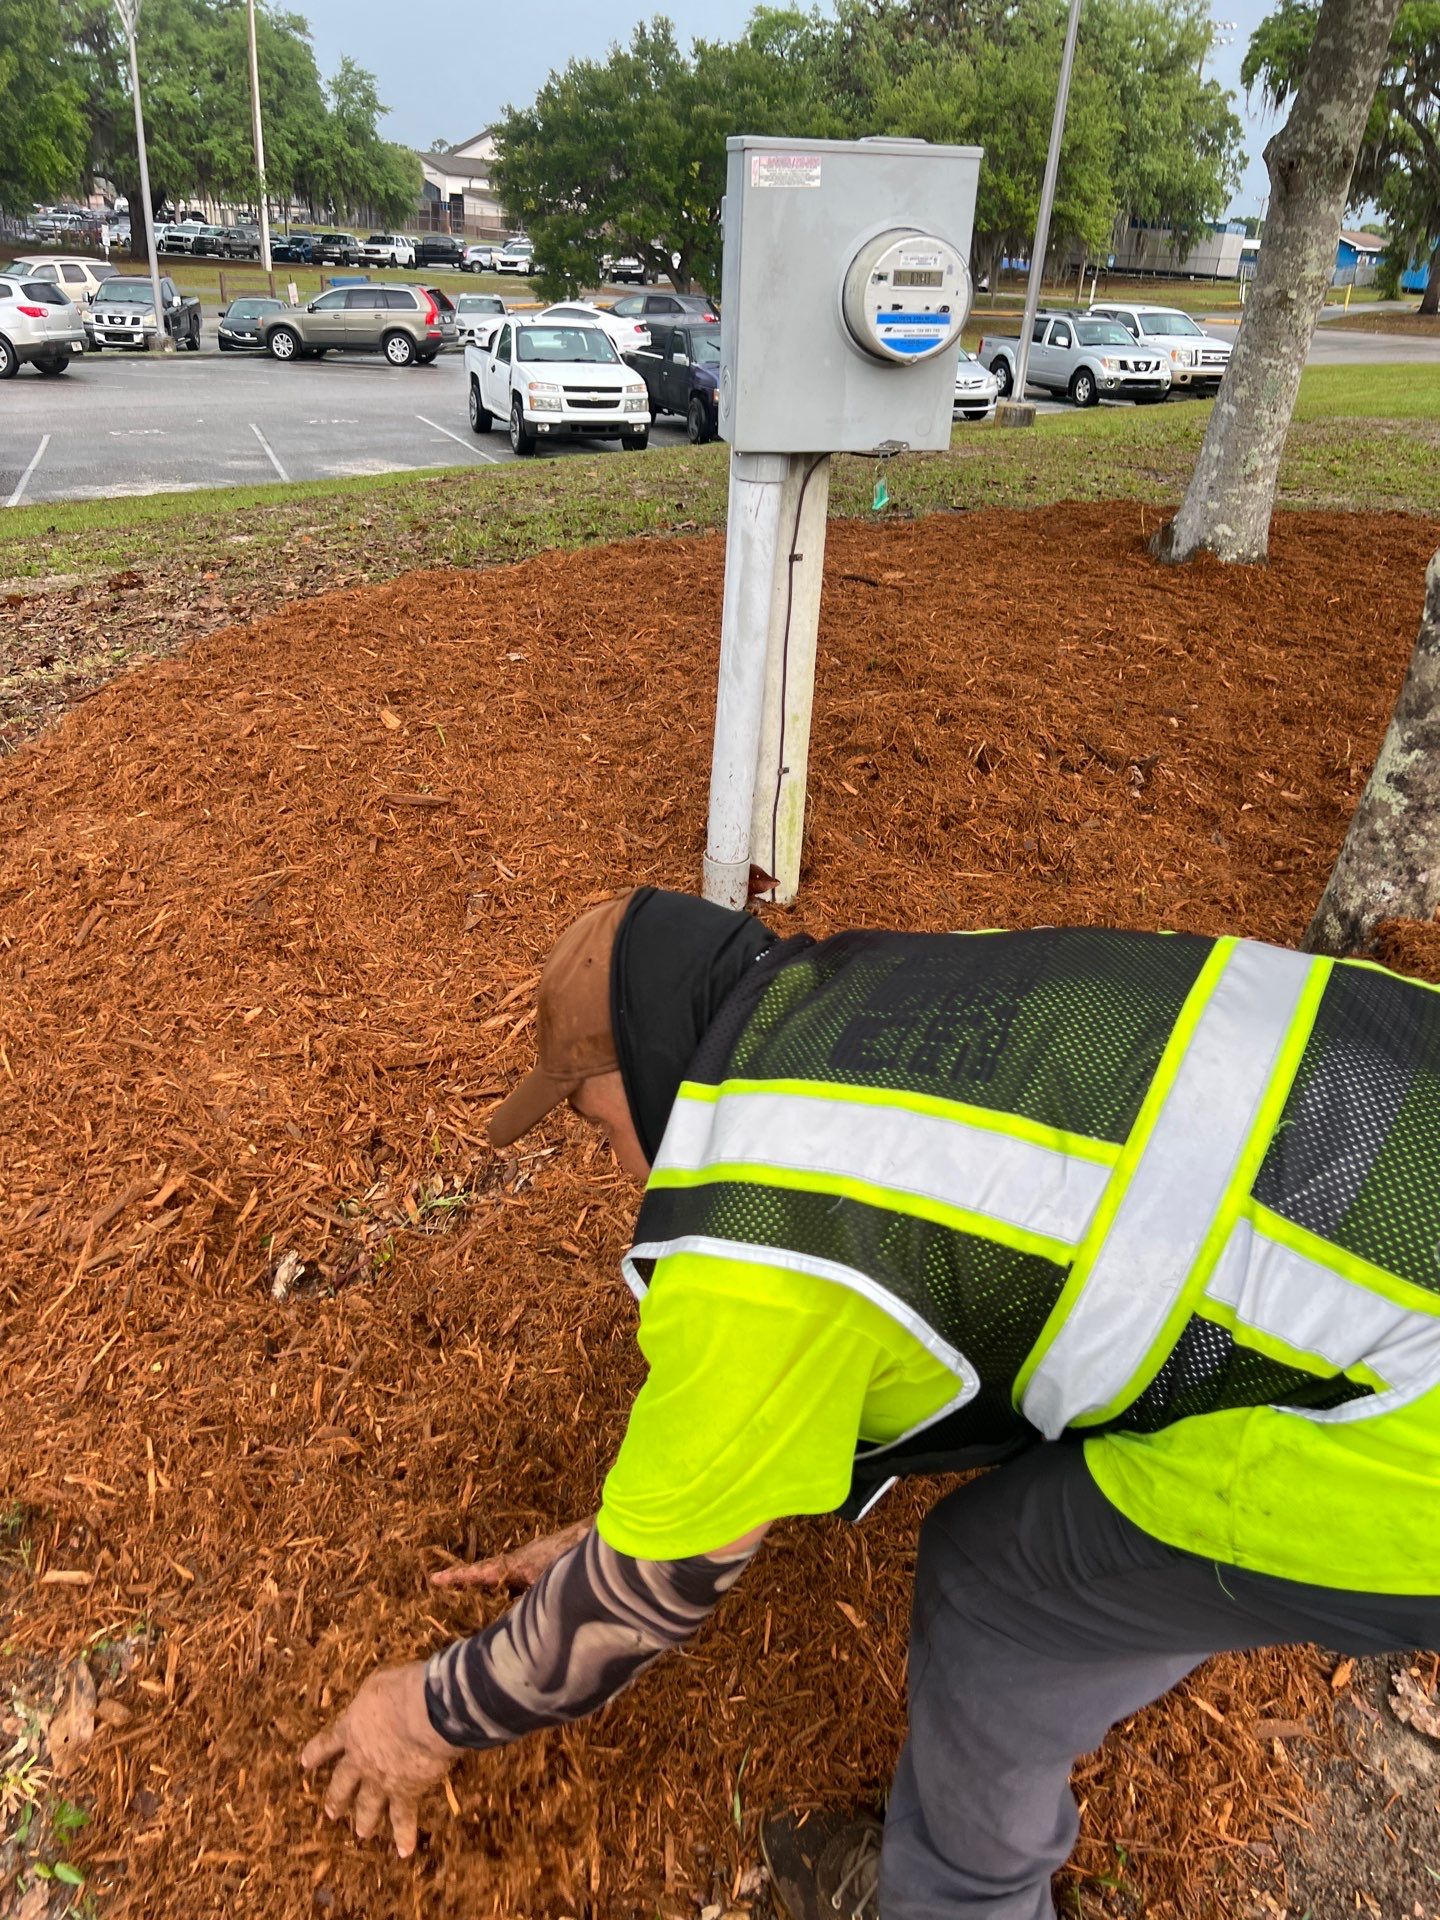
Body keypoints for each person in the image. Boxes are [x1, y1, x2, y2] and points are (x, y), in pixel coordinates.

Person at [301, 888, 1440, 1919]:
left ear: (643, 1068)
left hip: (1411, 1422)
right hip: (1394, 1105)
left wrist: (418, 1719)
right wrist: (638, 1511)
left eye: (597, 1126)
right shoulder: (880, 986)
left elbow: (649, 1598)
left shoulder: (756, 1232)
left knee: (999, 1587)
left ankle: (957, 1898)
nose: (614, 1171)